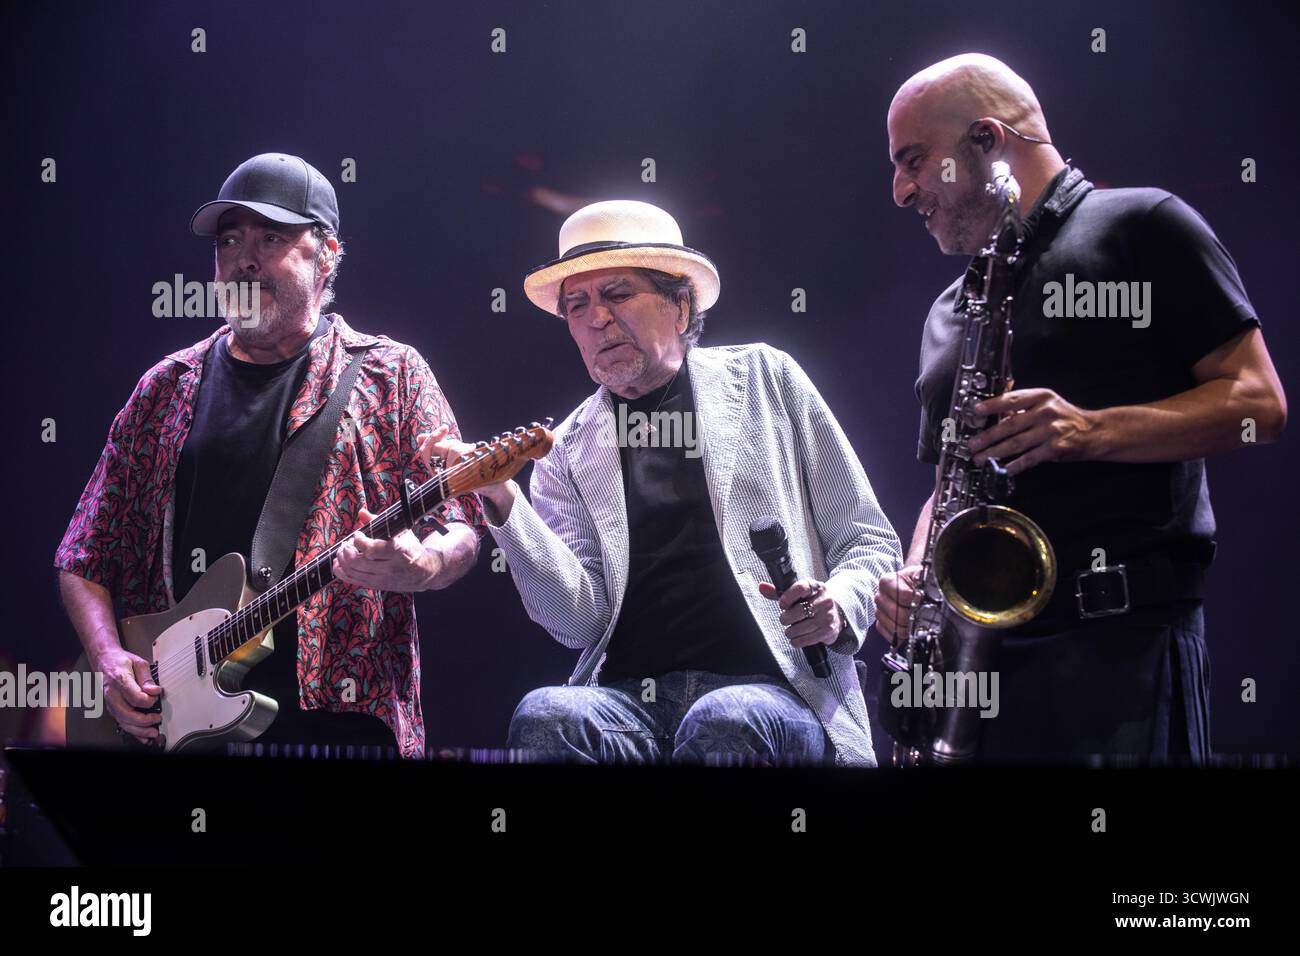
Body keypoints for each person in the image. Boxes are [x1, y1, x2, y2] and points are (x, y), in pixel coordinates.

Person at [876, 54, 1287, 762]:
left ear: (986, 139)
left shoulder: (1145, 224)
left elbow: (1260, 402)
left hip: (1121, 647)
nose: (900, 190)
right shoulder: (950, 309)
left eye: (913, 160)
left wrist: (1091, 431)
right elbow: (952, 479)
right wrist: (919, 573)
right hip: (980, 664)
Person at [424, 199, 901, 766]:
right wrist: (503, 500)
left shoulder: (766, 380)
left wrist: (838, 606)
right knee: (547, 715)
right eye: (577, 305)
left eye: (617, 294)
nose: (595, 318)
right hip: (629, 703)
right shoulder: (567, 451)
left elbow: (869, 541)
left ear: (680, 305)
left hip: (778, 692)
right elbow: (578, 623)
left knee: (725, 719)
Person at [55, 152, 484, 756]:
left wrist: (425, 565)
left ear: (328, 253)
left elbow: (461, 521)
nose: (244, 258)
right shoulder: (166, 387)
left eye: (271, 237)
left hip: (344, 721)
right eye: (229, 241)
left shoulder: (392, 375)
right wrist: (105, 657)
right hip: (176, 727)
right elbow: (83, 551)